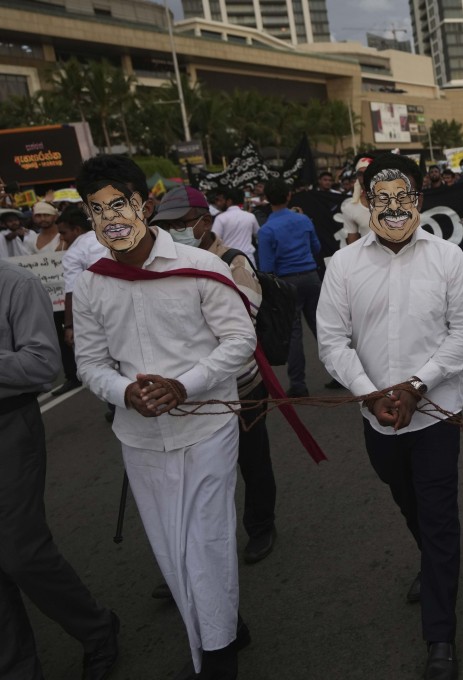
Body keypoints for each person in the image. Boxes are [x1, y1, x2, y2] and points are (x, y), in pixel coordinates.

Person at [73, 155, 256, 678]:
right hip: (141, 436)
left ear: (145, 205)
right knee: (171, 547)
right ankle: (227, 625)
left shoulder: (201, 266)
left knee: (207, 537)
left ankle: (218, 657)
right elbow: (89, 363)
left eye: (120, 204)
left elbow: (241, 340)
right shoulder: (89, 284)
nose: (110, 218)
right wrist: (124, 391)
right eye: (97, 209)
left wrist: (185, 383)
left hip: (207, 424)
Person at [317, 153, 463, 680]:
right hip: (377, 420)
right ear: (364, 201)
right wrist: (369, 394)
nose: (392, 207)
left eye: (403, 196)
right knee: (406, 500)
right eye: (380, 197)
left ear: (419, 199)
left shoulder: (448, 258)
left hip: (435, 414)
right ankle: (433, 562)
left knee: (438, 517)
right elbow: (332, 342)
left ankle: (440, 638)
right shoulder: (343, 266)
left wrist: (416, 386)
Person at [0, 257, 121, 680]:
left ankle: (97, 628)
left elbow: (43, 364)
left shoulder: (14, 283)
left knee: (20, 552)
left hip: (9, 424)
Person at [150, 186, 278, 564]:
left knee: (253, 462)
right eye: (166, 225)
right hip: (187, 391)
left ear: (205, 221)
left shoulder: (234, 261)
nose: (173, 231)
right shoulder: (159, 265)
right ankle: (193, 553)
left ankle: (261, 527)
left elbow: (241, 325)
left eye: (181, 224)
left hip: (240, 384)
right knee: (193, 476)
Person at [257, 178, 321, 398]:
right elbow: (316, 247)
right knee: (322, 328)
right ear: (288, 196)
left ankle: (298, 384)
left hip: (287, 282)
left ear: (267, 199)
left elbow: (266, 267)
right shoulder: (303, 220)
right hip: (311, 277)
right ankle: (342, 373)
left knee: (293, 333)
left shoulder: (266, 230)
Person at [48, 206, 93, 395]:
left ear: (76, 230)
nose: (62, 238)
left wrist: (69, 326)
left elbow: (71, 292)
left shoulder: (73, 253)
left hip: (94, 314)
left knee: (98, 363)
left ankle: (116, 406)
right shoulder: (104, 238)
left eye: (63, 233)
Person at [211, 187, 259, 260]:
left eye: (223, 200)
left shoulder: (220, 218)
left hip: (229, 259)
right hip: (248, 258)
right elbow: (258, 235)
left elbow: (214, 240)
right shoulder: (250, 216)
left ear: (229, 201)